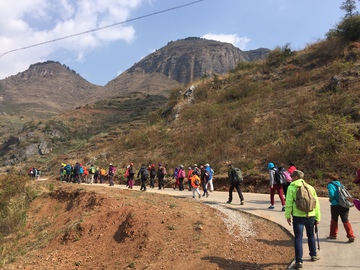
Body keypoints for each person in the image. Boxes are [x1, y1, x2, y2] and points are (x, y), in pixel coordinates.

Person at [285, 170, 321, 269]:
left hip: (298, 216)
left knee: (298, 238)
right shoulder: (310, 187)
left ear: (296, 177)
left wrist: (287, 215)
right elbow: (316, 204)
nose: (291, 178)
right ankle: (313, 255)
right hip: (310, 215)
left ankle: (299, 262)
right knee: (311, 235)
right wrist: (317, 217)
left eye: (292, 176)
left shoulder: (291, 187)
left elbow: (288, 203)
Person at [326, 173, 355, 242]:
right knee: (345, 220)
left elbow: (331, 194)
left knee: (334, 219)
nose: (326, 180)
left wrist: (331, 198)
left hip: (335, 205)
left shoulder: (330, 185)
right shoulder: (340, 184)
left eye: (327, 178)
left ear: (330, 179)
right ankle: (351, 235)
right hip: (344, 204)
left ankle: (333, 234)